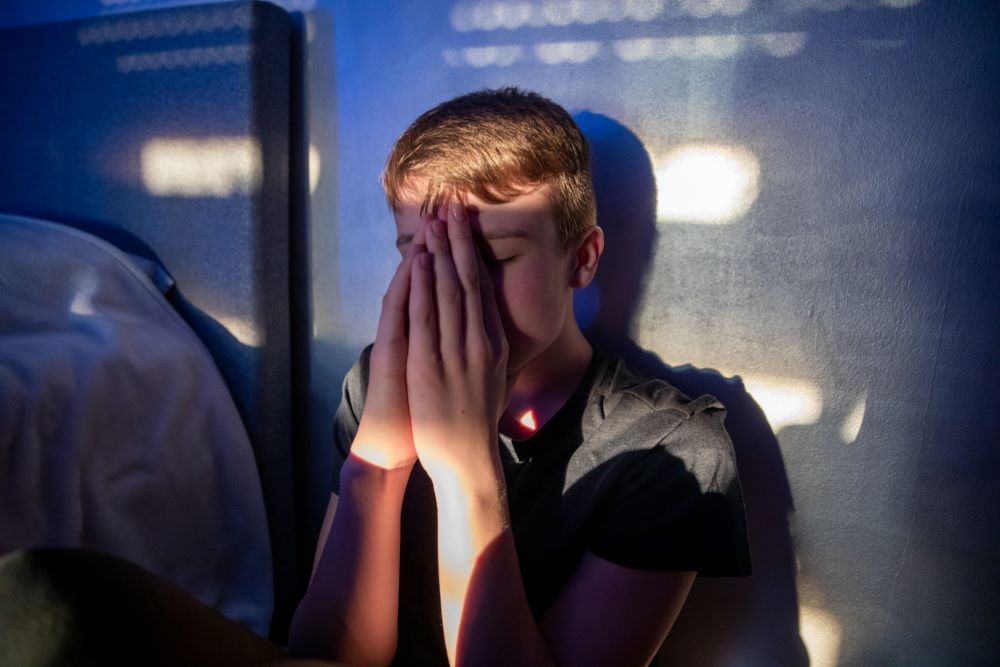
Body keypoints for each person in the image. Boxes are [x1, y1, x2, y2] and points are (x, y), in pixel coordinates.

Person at [289, 87, 750, 667]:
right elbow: (327, 657)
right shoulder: (376, 383)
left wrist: (465, 471)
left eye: (493, 257)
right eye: (422, 256)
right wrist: (377, 462)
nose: (455, 288)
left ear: (581, 258)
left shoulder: (668, 452)